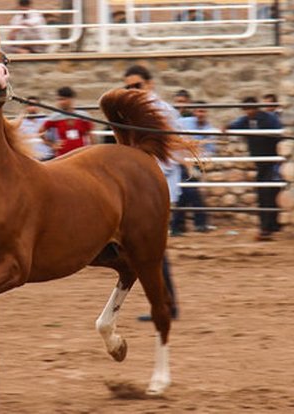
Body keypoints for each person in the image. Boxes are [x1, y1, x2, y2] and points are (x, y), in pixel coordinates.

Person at [123, 64, 179, 321]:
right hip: (142, 189)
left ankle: (167, 304)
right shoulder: (132, 113)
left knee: (152, 250)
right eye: (128, 87)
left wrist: (149, 178)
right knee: (152, 250)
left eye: (137, 86)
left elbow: (171, 153)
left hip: (159, 189)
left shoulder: (163, 111)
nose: (133, 91)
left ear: (150, 84)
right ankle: (167, 303)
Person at [225, 97, 283, 241]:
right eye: (246, 109)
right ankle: (268, 226)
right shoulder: (246, 120)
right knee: (264, 193)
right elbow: (234, 125)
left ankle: (267, 227)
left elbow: (279, 134)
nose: (249, 112)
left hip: (271, 160)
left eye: (251, 108)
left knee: (268, 193)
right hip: (260, 163)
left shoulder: (268, 119)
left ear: (256, 108)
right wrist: (227, 127)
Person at [172, 100, 214, 235]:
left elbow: (210, 151)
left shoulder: (209, 130)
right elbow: (173, 133)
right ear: (194, 111)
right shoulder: (184, 122)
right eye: (198, 110)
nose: (200, 114)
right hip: (182, 160)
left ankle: (178, 226)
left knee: (186, 192)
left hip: (196, 162)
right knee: (190, 191)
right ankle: (198, 223)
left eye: (202, 111)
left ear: (206, 112)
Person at [39, 86, 92, 157]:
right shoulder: (55, 117)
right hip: (63, 156)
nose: (61, 102)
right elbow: (40, 131)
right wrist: (52, 145)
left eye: (63, 99)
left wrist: (93, 150)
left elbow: (90, 135)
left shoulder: (83, 115)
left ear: (71, 99)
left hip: (81, 154)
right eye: (59, 100)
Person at [19, 96, 53, 161]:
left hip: (47, 157)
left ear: (39, 107)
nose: (32, 108)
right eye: (30, 105)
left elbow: (53, 138)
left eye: (35, 105)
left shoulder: (46, 121)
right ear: (26, 107)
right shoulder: (20, 123)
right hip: (30, 159)